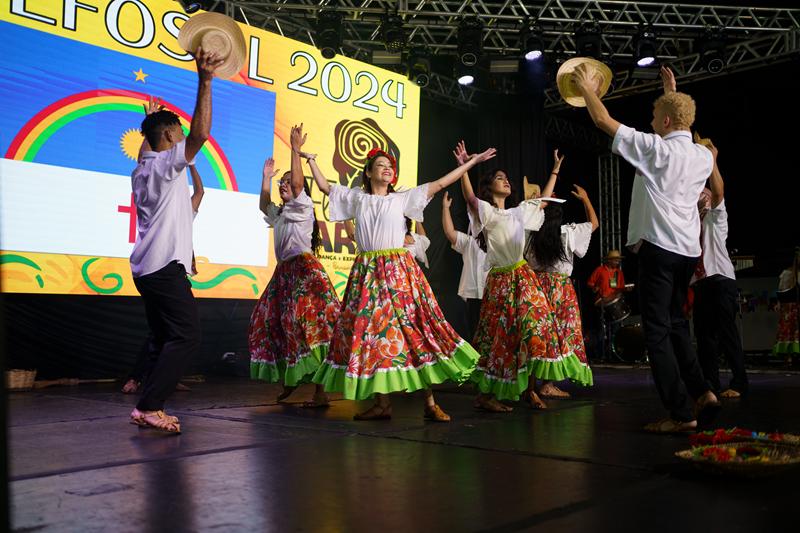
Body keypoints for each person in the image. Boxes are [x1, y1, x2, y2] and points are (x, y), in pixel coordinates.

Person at [304, 134, 496, 421]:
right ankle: (383, 404)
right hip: (368, 274)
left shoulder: (401, 198)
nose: (387, 169)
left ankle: (430, 403)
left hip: (397, 272)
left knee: (413, 330)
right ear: (368, 172)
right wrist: (310, 160)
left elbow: (440, 183)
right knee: (372, 335)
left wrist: (471, 163)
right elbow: (325, 187)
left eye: (389, 166)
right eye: (380, 165)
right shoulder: (358, 198)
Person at [572, 63, 720, 433]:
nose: (651, 122)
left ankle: (681, 413)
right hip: (687, 252)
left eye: (656, 116)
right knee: (677, 324)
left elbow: (603, 119)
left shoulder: (655, 150)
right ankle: (703, 392)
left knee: (656, 332)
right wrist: (672, 93)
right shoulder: (703, 156)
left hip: (659, 248)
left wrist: (587, 88)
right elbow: (680, 121)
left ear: (666, 121)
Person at [128, 47, 224, 433]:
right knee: (186, 336)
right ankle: (149, 406)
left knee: (164, 336)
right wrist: (205, 80)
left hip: (145, 269)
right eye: (177, 133)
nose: (184, 137)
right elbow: (201, 134)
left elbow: (147, 148)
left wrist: (149, 124)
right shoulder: (167, 166)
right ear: (170, 136)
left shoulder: (142, 169)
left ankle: (146, 404)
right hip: (164, 267)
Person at [456, 142, 591, 412]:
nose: (505, 181)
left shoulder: (518, 212)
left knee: (536, 328)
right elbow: (469, 198)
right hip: (501, 281)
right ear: (490, 187)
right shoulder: (487, 212)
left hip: (523, 276)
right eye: (499, 178)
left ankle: (529, 389)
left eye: (507, 178)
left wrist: (555, 170)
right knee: (499, 337)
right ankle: (486, 395)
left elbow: (544, 201)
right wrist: (465, 167)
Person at [248, 125, 340, 408]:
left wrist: (295, 150)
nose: (284, 184)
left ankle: (320, 392)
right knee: (268, 320)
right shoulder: (281, 213)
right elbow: (264, 205)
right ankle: (292, 377)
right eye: (282, 182)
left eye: (288, 181)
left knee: (308, 326)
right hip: (285, 274)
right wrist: (266, 179)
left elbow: (299, 185)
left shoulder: (303, 206)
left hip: (304, 272)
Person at [122, 156, 204, 395]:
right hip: (160, 270)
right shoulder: (166, 205)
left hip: (171, 271)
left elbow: (200, 191)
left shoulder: (187, 213)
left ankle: (165, 378)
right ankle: (137, 378)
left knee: (170, 333)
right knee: (164, 333)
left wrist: (192, 165)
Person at [526, 183, 599, 398]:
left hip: (536, 287)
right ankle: (547, 384)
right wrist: (585, 199)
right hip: (560, 290)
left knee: (538, 334)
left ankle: (530, 385)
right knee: (559, 335)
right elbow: (594, 224)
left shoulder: (531, 235)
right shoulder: (568, 233)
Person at [690, 141, 749, 398]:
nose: (701, 199)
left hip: (720, 278)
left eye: (703, 196)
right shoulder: (691, 224)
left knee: (726, 333)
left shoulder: (716, 217)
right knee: (704, 337)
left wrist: (712, 160)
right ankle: (710, 385)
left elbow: (719, 191)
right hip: (701, 282)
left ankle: (739, 382)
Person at [441, 191, 489, 342]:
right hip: (473, 296)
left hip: (493, 293)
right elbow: (450, 233)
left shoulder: (498, 240)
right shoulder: (470, 242)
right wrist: (445, 208)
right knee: (474, 332)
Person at [774, 249, 800, 362]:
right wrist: (779, 303)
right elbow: (781, 290)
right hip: (790, 307)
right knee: (789, 330)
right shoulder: (787, 273)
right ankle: (789, 356)